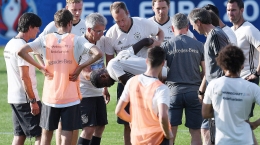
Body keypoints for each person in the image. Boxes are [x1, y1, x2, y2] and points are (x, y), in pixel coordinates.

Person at [18, 9, 103, 145]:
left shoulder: (45, 39)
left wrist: (41, 67)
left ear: (56, 24)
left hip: (50, 96)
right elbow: (98, 53)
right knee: (66, 135)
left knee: (46, 135)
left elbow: (21, 51)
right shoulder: (77, 40)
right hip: (70, 97)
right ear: (70, 23)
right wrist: (80, 67)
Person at [105, 1, 164, 144]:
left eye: (123, 19)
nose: (121, 23)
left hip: (147, 79)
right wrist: (105, 88)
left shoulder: (143, 23)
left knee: (152, 117)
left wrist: (157, 43)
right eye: (117, 21)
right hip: (125, 81)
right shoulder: (111, 34)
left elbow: (160, 32)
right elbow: (109, 62)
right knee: (128, 122)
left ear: (128, 13)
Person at [38, 1, 86, 144]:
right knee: (61, 121)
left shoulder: (84, 26)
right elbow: (37, 47)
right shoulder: (53, 27)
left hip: (77, 81)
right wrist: (42, 67)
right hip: (58, 83)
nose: (77, 13)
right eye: (74, 10)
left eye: (80, 9)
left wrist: (81, 68)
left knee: (74, 123)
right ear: (67, 8)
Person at [202, 45, 260, 145]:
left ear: (222, 65)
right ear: (242, 65)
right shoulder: (252, 87)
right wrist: (255, 124)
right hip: (246, 141)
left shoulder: (213, 85)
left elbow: (205, 113)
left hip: (222, 141)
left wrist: (223, 112)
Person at [188, 8, 230, 145]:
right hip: (214, 90)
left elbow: (227, 63)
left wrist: (222, 90)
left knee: (215, 133)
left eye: (193, 25)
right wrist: (202, 89)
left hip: (220, 92)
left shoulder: (215, 35)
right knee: (207, 129)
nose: (193, 29)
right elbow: (211, 68)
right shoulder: (212, 36)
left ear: (198, 22)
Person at [115, 46, 173, 145]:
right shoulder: (161, 88)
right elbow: (163, 116)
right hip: (157, 137)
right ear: (163, 63)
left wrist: (134, 121)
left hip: (137, 137)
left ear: (146, 61)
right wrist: (168, 134)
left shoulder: (132, 81)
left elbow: (119, 111)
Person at [162, 13, 205, 145]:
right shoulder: (198, 45)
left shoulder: (166, 46)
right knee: (196, 132)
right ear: (187, 27)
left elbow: (161, 73)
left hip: (173, 92)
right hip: (194, 92)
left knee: (171, 131)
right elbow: (206, 71)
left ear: (172, 28)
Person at [3, 12, 42, 145]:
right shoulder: (22, 48)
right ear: (30, 27)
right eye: (37, 27)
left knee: (19, 136)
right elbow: (24, 77)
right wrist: (33, 101)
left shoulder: (9, 44)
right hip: (26, 99)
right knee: (40, 135)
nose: (38, 30)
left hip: (14, 98)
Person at [227, 0, 260, 144]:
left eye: (233, 10)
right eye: (228, 10)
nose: (230, 13)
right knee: (240, 122)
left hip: (248, 79)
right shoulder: (231, 30)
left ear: (242, 10)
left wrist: (257, 74)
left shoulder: (249, 29)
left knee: (241, 121)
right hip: (236, 80)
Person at [77, 13, 109, 145]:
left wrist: (105, 88)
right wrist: (104, 78)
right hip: (84, 92)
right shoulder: (80, 45)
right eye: (99, 31)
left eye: (103, 30)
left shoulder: (102, 41)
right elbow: (85, 73)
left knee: (100, 126)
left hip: (98, 92)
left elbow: (104, 65)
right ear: (89, 30)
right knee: (89, 128)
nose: (102, 33)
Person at [90, 38, 167, 88]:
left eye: (104, 84)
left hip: (164, 78)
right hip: (165, 72)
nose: (108, 86)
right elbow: (145, 41)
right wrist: (157, 43)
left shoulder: (112, 67)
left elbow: (130, 87)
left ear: (103, 76)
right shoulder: (121, 55)